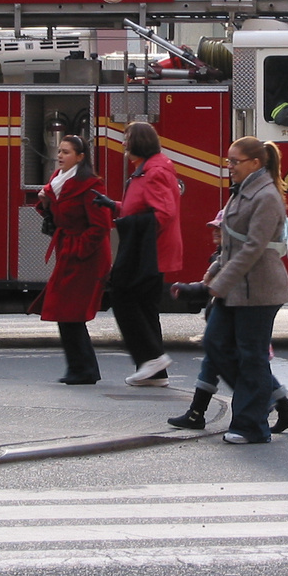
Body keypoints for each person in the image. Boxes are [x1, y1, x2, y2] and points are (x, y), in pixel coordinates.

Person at [166, 209, 288, 434]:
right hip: (224, 325)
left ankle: (263, 407)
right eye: (214, 230)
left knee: (246, 366)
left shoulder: (230, 260)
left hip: (235, 327)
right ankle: (197, 413)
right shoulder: (221, 258)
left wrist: (189, 290)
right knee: (218, 363)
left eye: (220, 230)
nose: (215, 234)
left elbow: (213, 288)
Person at [202, 136, 288, 444]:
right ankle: (258, 399)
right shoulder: (243, 191)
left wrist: (220, 282)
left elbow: (253, 248)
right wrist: (214, 273)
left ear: (256, 163)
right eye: (228, 161)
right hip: (236, 287)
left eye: (234, 162)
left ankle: (251, 425)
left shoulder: (266, 196)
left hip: (259, 290)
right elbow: (230, 242)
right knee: (215, 343)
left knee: (251, 355)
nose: (229, 167)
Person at [33, 135, 112, 384]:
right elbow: (57, 215)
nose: (60, 156)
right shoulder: (57, 181)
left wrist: (78, 249)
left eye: (66, 152)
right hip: (68, 251)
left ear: (80, 157)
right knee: (65, 311)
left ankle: (83, 369)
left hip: (85, 257)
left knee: (70, 311)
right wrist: (46, 203)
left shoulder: (91, 185)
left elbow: (100, 227)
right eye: (59, 151)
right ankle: (81, 368)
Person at [112, 121, 183, 385]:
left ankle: (152, 357)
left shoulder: (153, 171)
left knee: (123, 296)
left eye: (127, 138)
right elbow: (142, 207)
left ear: (139, 142)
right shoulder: (149, 169)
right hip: (150, 249)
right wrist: (116, 207)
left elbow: (163, 214)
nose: (123, 143)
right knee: (144, 305)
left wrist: (126, 222)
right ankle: (155, 372)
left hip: (148, 251)